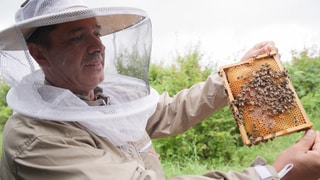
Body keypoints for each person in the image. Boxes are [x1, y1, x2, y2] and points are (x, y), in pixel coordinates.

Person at [0, 0, 319, 180]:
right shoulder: (37, 139)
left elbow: (168, 112)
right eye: (77, 37)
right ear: (39, 54)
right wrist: (272, 174)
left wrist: (233, 79)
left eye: (96, 33)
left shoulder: (104, 97)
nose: (98, 45)